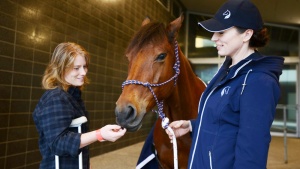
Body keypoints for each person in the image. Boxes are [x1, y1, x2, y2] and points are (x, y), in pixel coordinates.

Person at [165, 0, 284, 168]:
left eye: (221, 32)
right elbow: (226, 121)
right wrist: (191, 125)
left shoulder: (258, 82)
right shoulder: (227, 71)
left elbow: (252, 153)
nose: (214, 38)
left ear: (247, 34)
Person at [33, 42, 126, 169]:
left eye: (84, 66)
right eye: (76, 68)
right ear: (61, 68)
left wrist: (86, 163)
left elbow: (75, 135)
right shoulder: (55, 98)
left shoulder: (72, 95)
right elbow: (58, 143)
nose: (83, 72)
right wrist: (99, 134)